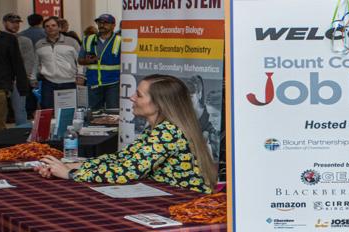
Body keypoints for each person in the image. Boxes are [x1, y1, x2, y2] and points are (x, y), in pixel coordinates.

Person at [34, 74, 217, 193]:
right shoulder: (158, 129)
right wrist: (78, 165)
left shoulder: (168, 131)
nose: (132, 98)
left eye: (139, 95)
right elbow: (124, 159)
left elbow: (128, 171)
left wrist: (71, 174)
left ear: (159, 104)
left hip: (184, 205)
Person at [34, 16, 82, 114]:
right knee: (47, 111)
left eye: (53, 25)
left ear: (59, 27)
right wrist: (33, 77)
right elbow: (36, 63)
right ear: (44, 29)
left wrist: (80, 75)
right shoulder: (39, 44)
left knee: (69, 112)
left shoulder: (71, 42)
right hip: (48, 82)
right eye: (47, 26)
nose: (50, 28)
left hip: (69, 82)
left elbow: (80, 61)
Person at [80, 13, 121, 110]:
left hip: (113, 83)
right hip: (93, 82)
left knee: (113, 113)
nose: (102, 25)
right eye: (99, 22)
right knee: (93, 114)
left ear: (113, 25)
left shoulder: (120, 40)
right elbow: (80, 60)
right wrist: (87, 61)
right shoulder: (88, 39)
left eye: (106, 23)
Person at [2, 12, 36, 123]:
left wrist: (22, 77)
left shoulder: (24, 41)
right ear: (4, 23)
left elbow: (29, 61)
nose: (15, 25)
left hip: (17, 79)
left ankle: (21, 133)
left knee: (20, 109)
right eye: (12, 22)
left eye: (17, 23)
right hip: (0, 79)